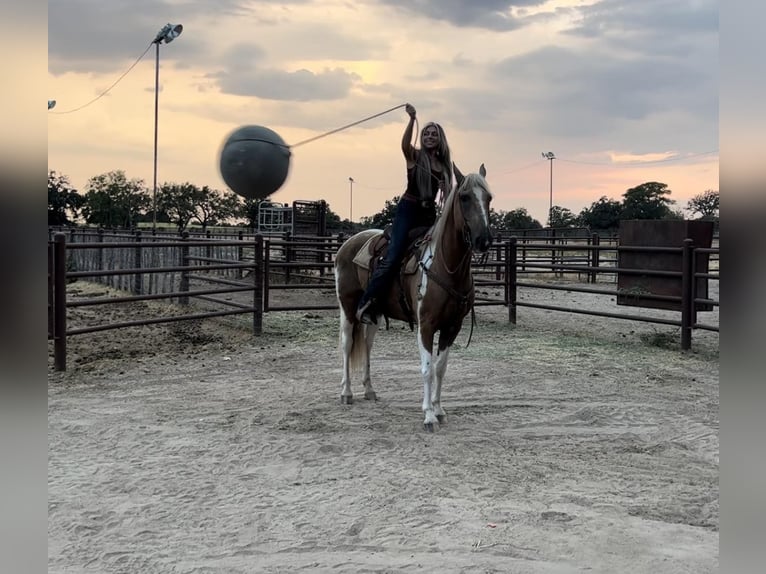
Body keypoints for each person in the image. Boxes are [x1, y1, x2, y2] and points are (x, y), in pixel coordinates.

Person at [356, 103, 458, 324]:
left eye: (434, 134)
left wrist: (437, 227)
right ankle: (367, 302)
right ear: (422, 137)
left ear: (440, 139)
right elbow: (404, 143)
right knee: (393, 256)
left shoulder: (444, 165)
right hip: (408, 210)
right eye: (427, 133)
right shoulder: (414, 155)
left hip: (429, 215)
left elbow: (448, 199)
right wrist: (412, 120)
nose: (430, 136)